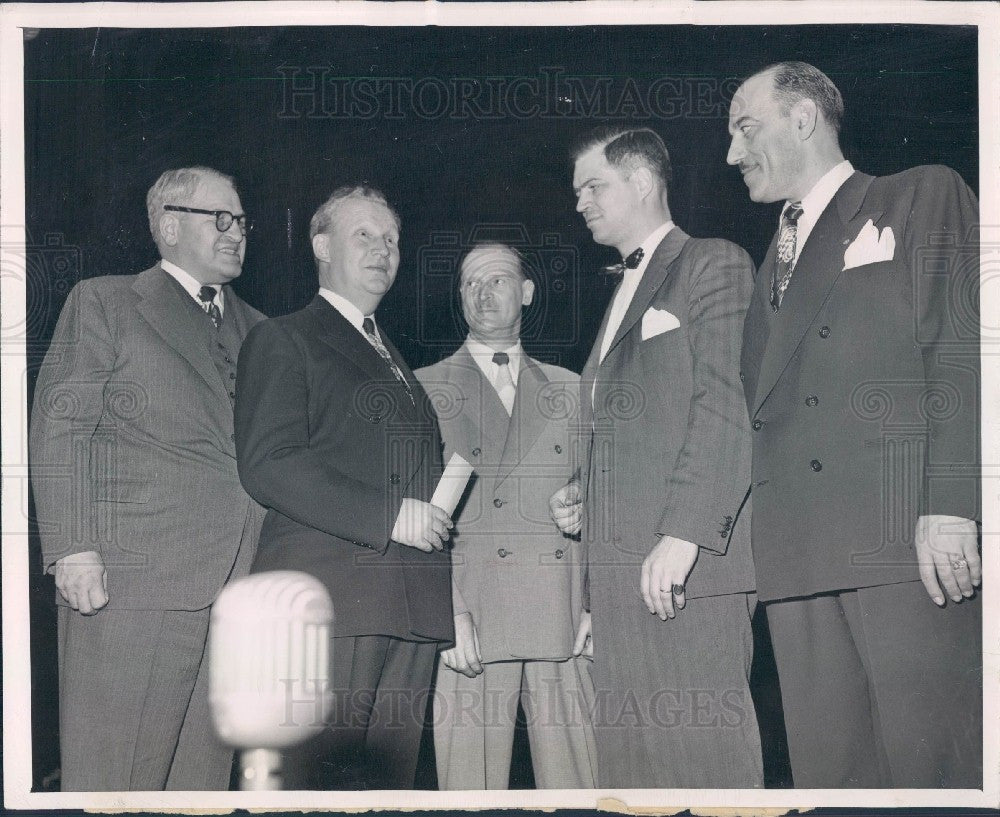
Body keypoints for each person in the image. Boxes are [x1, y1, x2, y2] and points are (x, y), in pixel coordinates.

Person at [727, 61, 982, 788]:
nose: (731, 153)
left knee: (938, 769)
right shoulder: (765, 266)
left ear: (802, 117)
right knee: (832, 778)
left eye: (745, 128)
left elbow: (964, 353)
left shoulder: (918, 194)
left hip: (903, 543)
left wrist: (954, 503)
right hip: (797, 562)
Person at [29, 166, 266, 790]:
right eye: (219, 218)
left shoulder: (263, 331)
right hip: (130, 584)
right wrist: (73, 547)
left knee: (201, 789)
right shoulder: (105, 303)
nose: (235, 232)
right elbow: (61, 428)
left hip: (235, 590)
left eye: (240, 221)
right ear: (167, 225)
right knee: (114, 785)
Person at [549, 127, 762, 788]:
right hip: (619, 587)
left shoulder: (713, 262)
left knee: (710, 765)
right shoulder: (619, 294)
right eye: (577, 190)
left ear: (642, 181)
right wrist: (583, 496)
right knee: (635, 777)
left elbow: (726, 405)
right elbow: (635, 435)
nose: (580, 202)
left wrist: (685, 530)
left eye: (594, 186)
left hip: (687, 568)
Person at [234, 184, 454, 790]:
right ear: (321, 245)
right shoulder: (284, 338)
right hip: (327, 608)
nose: (384, 249)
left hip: (406, 609)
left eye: (393, 240)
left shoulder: (393, 358)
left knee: (385, 795)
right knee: (306, 792)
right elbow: (268, 463)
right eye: (366, 235)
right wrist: (389, 517)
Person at [416, 244, 597, 790]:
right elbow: (412, 523)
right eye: (470, 283)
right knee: (470, 791)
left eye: (497, 279)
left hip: (561, 613)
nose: (482, 292)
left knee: (581, 787)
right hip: (471, 616)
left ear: (527, 293)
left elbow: (606, 497)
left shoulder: (573, 387)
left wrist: (594, 601)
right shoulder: (422, 387)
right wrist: (446, 613)